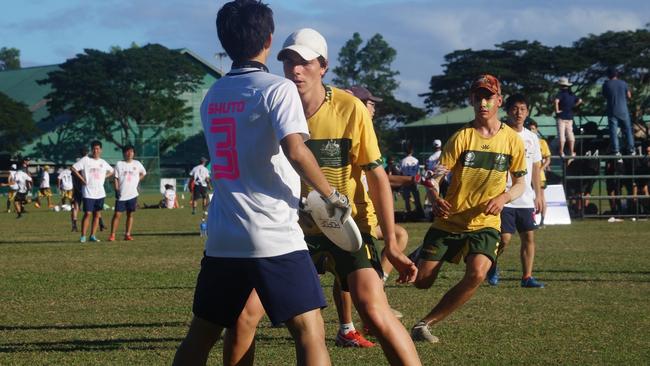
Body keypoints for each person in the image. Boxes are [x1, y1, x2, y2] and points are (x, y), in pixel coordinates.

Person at [173, 4, 343, 365]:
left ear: (224, 40)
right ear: (268, 40)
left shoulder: (213, 94)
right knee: (309, 331)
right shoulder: (278, 89)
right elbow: (296, 152)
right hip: (273, 234)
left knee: (202, 334)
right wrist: (331, 196)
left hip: (223, 235)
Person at [410, 74, 527, 343]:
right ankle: (418, 254)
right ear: (471, 100)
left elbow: (521, 183)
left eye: (488, 97)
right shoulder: (461, 137)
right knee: (422, 282)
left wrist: (505, 197)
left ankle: (424, 324)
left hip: (485, 224)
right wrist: (434, 195)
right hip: (449, 222)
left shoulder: (512, 140)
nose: (482, 103)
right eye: (477, 97)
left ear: (499, 100)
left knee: (477, 273)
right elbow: (435, 177)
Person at [486, 94, 545, 288]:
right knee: (504, 238)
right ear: (507, 110)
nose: (518, 113)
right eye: (514, 109)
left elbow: (536, 168)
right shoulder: (500, 134)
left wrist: (539, 195)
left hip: (526, 198)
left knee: (529, 237)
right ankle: (492, 265)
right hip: (505, 196)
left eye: (522, 109)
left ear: (527, 112)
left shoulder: (532, 138)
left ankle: (527, 277)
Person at [71, 141, 114, 243]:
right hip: (88, 192)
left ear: (101, 150)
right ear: (91, 149)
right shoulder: (86, 160)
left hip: (100, 193)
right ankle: (83, 236)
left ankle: (93, 236)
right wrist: (82, 179)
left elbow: (112, 170)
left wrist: (105, 177)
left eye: (98, 149)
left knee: (97, 214)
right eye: (94, 149)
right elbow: (73, 168)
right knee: (88, 213)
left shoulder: (103, 162)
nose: (96, 151)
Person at [108, 145, 147, 242]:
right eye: (127, 152)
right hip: (122, 194)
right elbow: (116, 178)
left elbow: (143, 173)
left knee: (130, 214)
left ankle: (127, 234)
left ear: (134, 153)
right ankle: (112, 235)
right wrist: (116, 190)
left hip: (133, 194)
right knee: (117, 214)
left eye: (131, 152)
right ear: (124, 153)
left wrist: (137, 181)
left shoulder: (137, 164)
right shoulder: (119, 164)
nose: (130, 153)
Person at [603, 67, 635, 156]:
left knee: (613, 131)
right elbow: (629, 95)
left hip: (612, 111)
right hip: (624, 110)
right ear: (617, 74)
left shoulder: (606, 84)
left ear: (608, 75)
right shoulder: (623, 83)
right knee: (628, 130)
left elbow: (605, 96)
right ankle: (631, 149)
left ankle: (616, 150)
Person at [528, 120, 551, 225]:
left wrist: (541, 169)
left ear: (537, 130)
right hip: (528, 175)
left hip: (539, 175)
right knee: (528, 196)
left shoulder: (542, 142)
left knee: (541, 196)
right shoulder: (526, 141)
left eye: (533, 129)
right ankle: (531, 219)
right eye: (530, 129)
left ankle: (542, 220)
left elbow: (548, 159)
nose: (531, 131)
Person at [554, 77, 582, 157]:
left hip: (561, 117)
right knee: (570, 134)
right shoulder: (572, 94)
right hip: (570, 117)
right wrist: (573, 106)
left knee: (561, 135)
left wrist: (557, 110)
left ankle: (561, 151)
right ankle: (571, 151)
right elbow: (580, 100)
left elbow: (556, 101)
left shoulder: (560, 94)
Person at [399, 144, 423, 217]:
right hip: (414, 179)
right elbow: (418, 173)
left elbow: (401, 172)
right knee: (416, 197)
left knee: (407, 198)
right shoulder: (416, 160)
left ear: (405, 152)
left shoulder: (402, 161)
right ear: (412, 151)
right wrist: (417, 181)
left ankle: (409, 213)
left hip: (406, 180)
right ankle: (419, 212)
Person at [70, 148, 88, 232]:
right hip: (86, 188)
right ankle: (100, 223)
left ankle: (74, 225)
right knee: (92, 207)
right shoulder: (88, 163)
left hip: (77, 188)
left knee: (76, 207)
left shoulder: (77, 164)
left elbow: (72, 173)